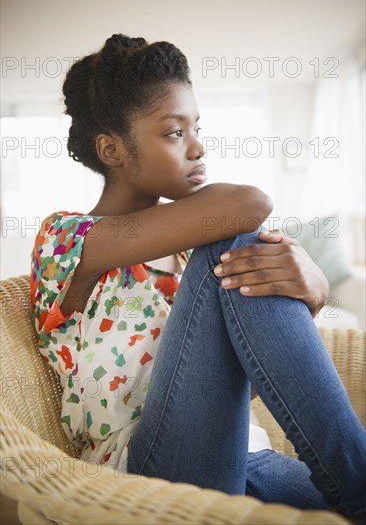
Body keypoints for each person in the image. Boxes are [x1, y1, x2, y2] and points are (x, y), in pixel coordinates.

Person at [30, 34, 366, 522]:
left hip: (248, 458)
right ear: (112, 149)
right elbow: (248, 204)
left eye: (197, 128)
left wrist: (313, 296)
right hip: (146, 474)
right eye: (173, 133)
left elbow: (227, 387)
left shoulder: (194, 257)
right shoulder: (66, 240)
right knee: (233, 238)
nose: (198, 147)